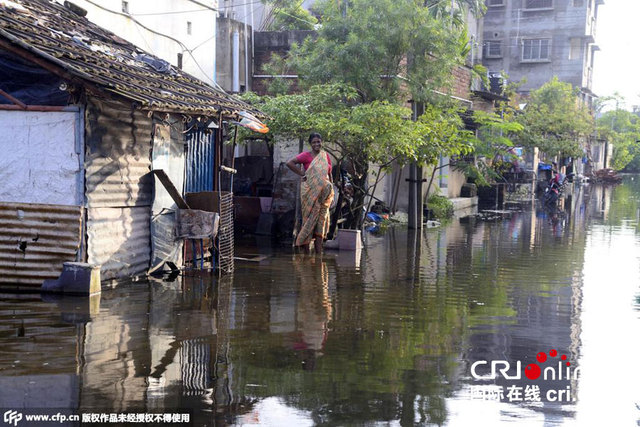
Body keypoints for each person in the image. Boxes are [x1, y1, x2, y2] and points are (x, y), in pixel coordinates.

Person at [286, 132, 334, 253]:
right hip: (310, 195)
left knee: (321, 224)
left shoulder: (325, 156)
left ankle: (319, 256)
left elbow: (329, 173)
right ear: (310, 144)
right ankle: (307, 254)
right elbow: (289, 163)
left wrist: (331, 188)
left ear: (321, 142)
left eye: (318, 141)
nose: (317, 144)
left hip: (324, 197)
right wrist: (303, 174)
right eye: (314, 142)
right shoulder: (306, 156)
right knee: (309, 221)